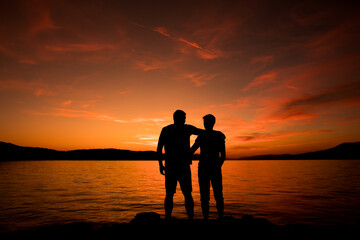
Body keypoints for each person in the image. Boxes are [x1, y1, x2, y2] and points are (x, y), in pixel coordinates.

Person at [157, 110, 203, 220]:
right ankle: (174, 217)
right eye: (183, 117)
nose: (185, 120)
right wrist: (160, 164)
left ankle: (183, 218)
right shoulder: (178, 129)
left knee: (182, 193)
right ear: (177, 118)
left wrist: (192, 150)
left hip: (176, 165)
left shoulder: (170, 129)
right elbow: (159, 149)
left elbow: (159, 149)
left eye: (185, 118)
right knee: (174, 194)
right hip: (176, 166)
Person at [190, 114, 226, 219]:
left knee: (217, 194)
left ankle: (219, 217)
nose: (206, 124)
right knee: (206, 195)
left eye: (207, 122)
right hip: (205, 168)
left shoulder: (217, 135)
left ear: (212, 123)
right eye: (205, 122)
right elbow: (192, 150)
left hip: (211, 168)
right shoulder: (207, 135)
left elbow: (223, 156)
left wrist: (217, 166)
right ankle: (207, 218)